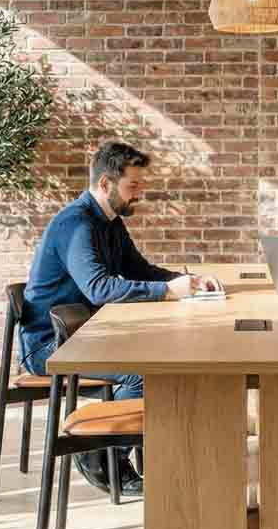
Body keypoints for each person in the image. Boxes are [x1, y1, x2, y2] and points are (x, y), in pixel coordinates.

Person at [20, 141, 221, 495]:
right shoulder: (77, 224)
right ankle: (99, 458)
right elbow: (98, 288)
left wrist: (186, 280)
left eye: (141, 185)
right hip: (51, 345)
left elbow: (138, 269)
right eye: (133, 186)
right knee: (144, 371)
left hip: (88, 333)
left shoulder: (110, 222)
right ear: (105, 184)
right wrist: (168, 292)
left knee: (163, 359)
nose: (139, 194)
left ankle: (156, 452)